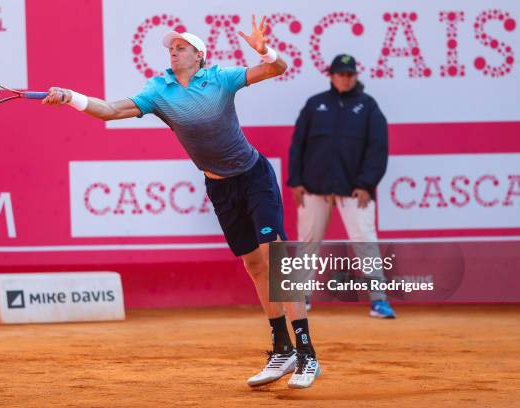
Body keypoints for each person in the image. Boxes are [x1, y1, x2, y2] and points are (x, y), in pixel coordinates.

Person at [42, 16, 321, 388]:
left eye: (181, 48)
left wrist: (264, 50)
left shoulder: (221, 78)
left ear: (199, 55)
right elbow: (109, 110)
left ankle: (307, 354)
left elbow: (277, 68)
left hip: (254, 178)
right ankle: (282, 349)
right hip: (219, 188)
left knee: (275, 258)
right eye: (171, 49)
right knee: (254, 265)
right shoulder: (159, 91)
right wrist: (71, 98)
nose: (173, 52)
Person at [287, 54, 396, 318]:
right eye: (341, 74)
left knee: (365, 241)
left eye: (349, 74)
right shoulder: (315, 105)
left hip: (355, 189)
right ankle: (301, 297)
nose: (345, 79)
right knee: (308, 241)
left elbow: (378, 149)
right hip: (314, 188)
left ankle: (379, 301)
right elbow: (298, 144)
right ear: (331, 75)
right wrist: (296, 181)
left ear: (355, 76)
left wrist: (366, 184)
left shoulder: (368, 106)